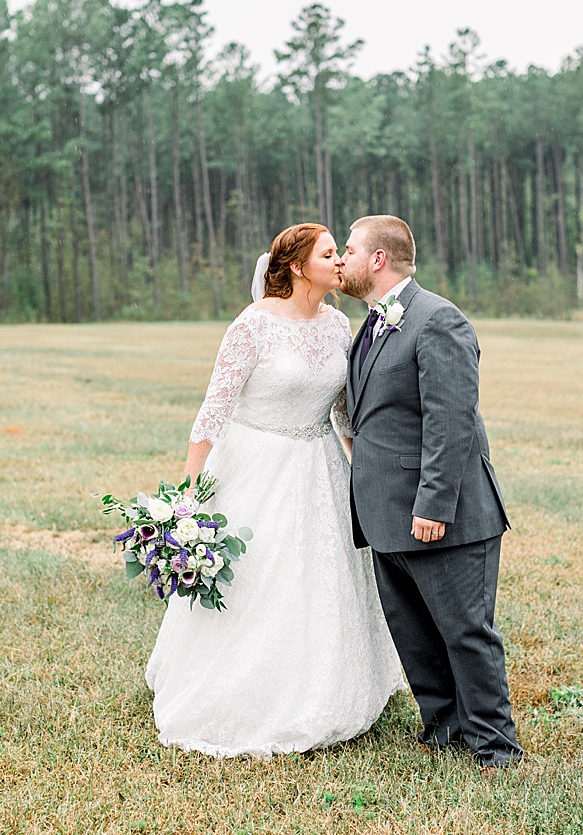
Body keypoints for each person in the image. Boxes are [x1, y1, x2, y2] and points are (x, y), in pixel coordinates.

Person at [145, 223, 404, 756]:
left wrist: (363, 472)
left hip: (320, 467)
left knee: (321, 579)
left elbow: (339, 409)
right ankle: (241, 689)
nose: (339, 262)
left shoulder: (339, 325)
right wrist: (189, 494)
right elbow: (214, 409)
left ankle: (325, 687)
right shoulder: (252, 327)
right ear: (295, 266)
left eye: (341, 252)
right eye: (329, 254)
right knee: (262, 577)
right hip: (256, 466)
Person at [339, 214, 522, 771]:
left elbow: (451, 421)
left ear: (377, 259)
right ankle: (446, 727)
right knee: (413, 631)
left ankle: (496, 747)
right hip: (384, 513)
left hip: (444, 515)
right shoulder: (370, 325)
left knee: (466, 632)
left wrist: (433, 505)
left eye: (348, 249)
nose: (341, 260)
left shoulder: (438, 320)